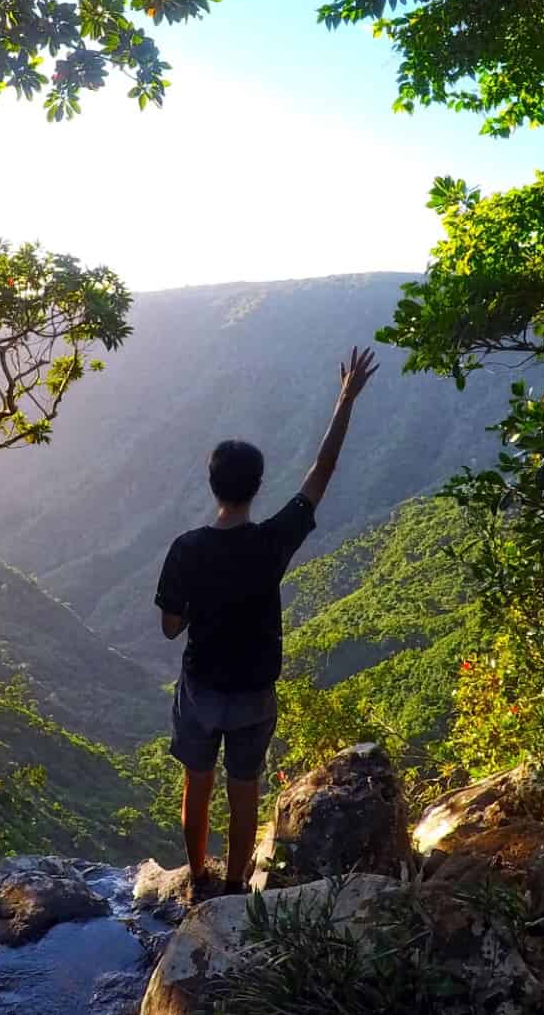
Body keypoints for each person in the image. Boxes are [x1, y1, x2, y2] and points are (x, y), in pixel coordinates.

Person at [154, 346, 379, 898]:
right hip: (254, 691)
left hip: (202, 688)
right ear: (257, 486)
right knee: (245, 787)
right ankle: (234, 884)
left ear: (213, 485)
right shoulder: (272, 541)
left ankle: (198, 876)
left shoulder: (186, 549)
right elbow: (321, 473)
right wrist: (344, 400)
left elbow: (169, 628)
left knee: (197, 784)